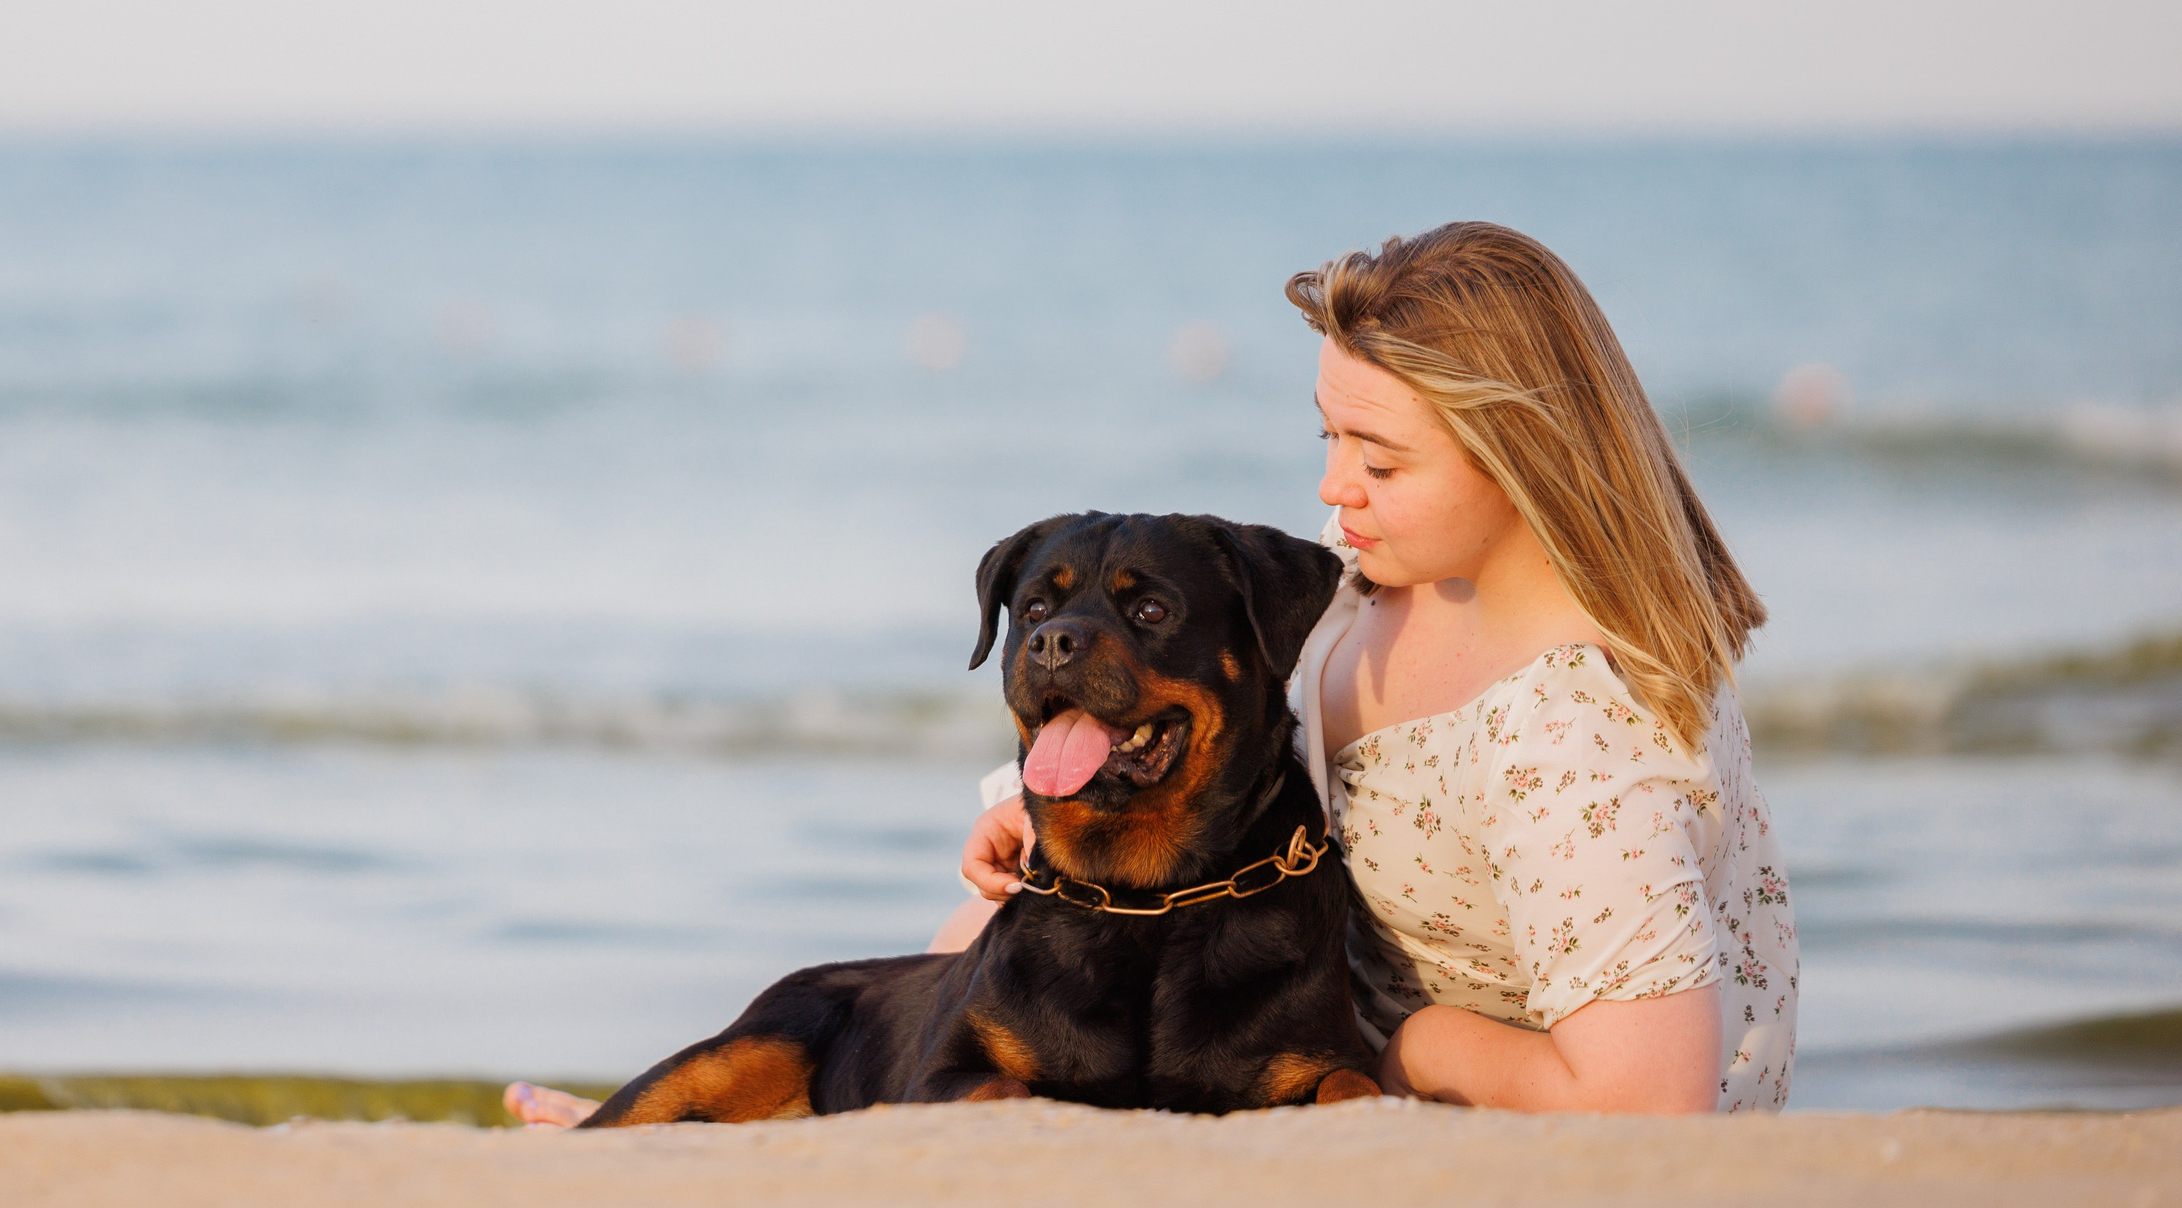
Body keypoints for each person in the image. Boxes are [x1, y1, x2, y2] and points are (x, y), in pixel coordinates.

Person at [509, 221, 1797, 1126]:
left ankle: (753, 1112)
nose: (1331, 486)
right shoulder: (1372, 598)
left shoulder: (1575, 734)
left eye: (1379, 461)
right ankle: (720, 1110)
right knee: (1022, 927)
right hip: (1288, 1017)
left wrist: (1401, 1048)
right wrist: (1032, 797)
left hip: (1525, 1090)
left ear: (1521, 458)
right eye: (1327, 435)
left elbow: (1649, 1099)